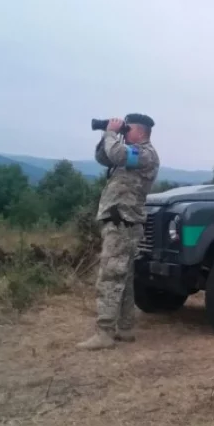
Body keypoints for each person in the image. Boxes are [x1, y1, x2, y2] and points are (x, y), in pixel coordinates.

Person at [77, 113, 160, 350]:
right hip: (123, 222)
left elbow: (117, 154)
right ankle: (125, 328)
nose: (125, 131)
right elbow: (104, 157)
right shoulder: (132, 152)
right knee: (123, 277)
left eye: (128, 128)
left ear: (141, 132)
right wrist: (107, 134)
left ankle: (105, 333)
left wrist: (111, 133)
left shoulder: (145, 153)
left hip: (123, 222)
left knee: (110, 276)